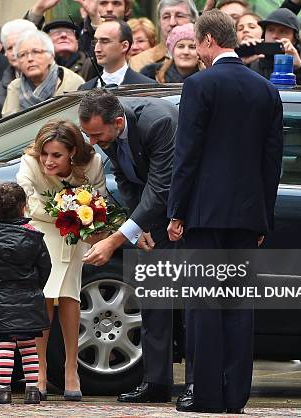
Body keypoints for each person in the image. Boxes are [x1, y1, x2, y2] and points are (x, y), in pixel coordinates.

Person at [167, 10, 283, 413]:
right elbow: (273, 161)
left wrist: (176, 210)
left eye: (197, 44)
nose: (197, 52)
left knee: (204, 306)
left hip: (204, 212)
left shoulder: (199, 84)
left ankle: (206, 393)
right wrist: (264, 215)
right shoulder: (265, 89)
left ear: (207, 41)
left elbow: (188, 154)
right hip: (248, 214)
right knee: (237, 305)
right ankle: (235, 396)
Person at [78, 89, 179, 403]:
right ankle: (156, 382)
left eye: (96, 135)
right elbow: (127, 178)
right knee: (153, 299)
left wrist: (117, 238)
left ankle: (198, 382)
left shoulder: (157, 123)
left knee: (192, 305)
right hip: (151, 217)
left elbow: (161, 188)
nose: (92, 143)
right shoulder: (108, 134)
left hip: (186, 215)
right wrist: (140, 228)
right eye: (87, 135)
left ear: (118, 122)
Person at [16, 119, 106, 402]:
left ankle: (71, 367)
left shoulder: (92, 163)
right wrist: (64, 209)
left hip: (77, 229)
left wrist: (80, 212)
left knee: (69, 293)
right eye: (45, 153)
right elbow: (26, 199)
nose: (48, 161)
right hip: (42, 229)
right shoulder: (29, 161)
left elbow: (99, 199)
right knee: (44, 294)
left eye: (56, 155)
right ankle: (40, 370)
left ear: (72, 153)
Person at [0, 182, 51, 405]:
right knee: (28, 344)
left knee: (5, 344)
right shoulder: (35, 238)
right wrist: (35, 288)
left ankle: (3, 389)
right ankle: (33, 390)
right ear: (24, 206)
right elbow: (46, 267)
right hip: (28, 297)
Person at [2, 30, 84, 117]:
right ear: (17, 62)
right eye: (23, 55)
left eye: (36, 52)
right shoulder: (14, 87)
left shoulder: (73, 82)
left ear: (51, 56)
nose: (29, 59)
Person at [248, 8, 301, 87]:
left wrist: (300, 69)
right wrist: (240, 62)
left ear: (294, 39)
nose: (275, 36)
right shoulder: (251, 66)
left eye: (282, 31)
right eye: (270, 30)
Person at [25, 0, 133, 59]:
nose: (109, 9)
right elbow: (21, 50)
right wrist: (38, 11)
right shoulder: (77, 36)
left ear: (126, 9)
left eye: (116, 3)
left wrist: (96, 19)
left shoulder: (137, 35)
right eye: (103, 3)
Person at [79, 19, 154, 90]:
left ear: (124, 46)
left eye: (104, 41)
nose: (97, 49)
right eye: (95, 42)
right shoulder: (84, 88)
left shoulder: (148, 87)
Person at [128, 0, 197, 73]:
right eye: (166, 17)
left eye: (179, 16)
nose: (172, 23)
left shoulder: (206, 58)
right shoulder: (139, 61)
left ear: (194, 20)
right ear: (159, 22)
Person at [0, 18, 37, 116]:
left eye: (19, 45)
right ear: (5, 53)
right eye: (10, 48)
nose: (15, 52)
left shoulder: (56, 76)